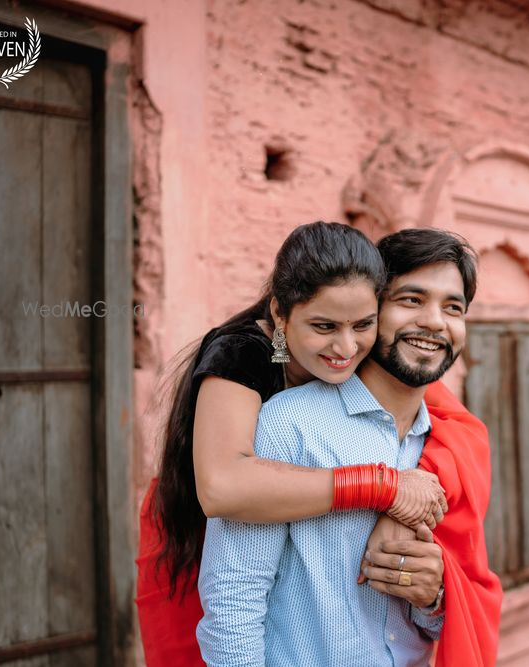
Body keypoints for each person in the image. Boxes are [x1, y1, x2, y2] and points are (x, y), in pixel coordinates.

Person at [136, 222, 446, 666]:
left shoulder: (369, 360)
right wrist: (384, 488)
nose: (345, 346)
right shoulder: (241, 354)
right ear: (280, 314)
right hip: (194, 542)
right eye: (324, 326)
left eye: (362, 324)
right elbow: (222, 487)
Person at [197, 228, 502, 666]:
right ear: (373, 306)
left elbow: (448, 613)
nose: (435, 321)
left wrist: (433, 595)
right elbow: (232, 603)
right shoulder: (290, 423)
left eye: (453, 307)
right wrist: (381, 488)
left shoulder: (447, 448)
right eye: (412, 300)